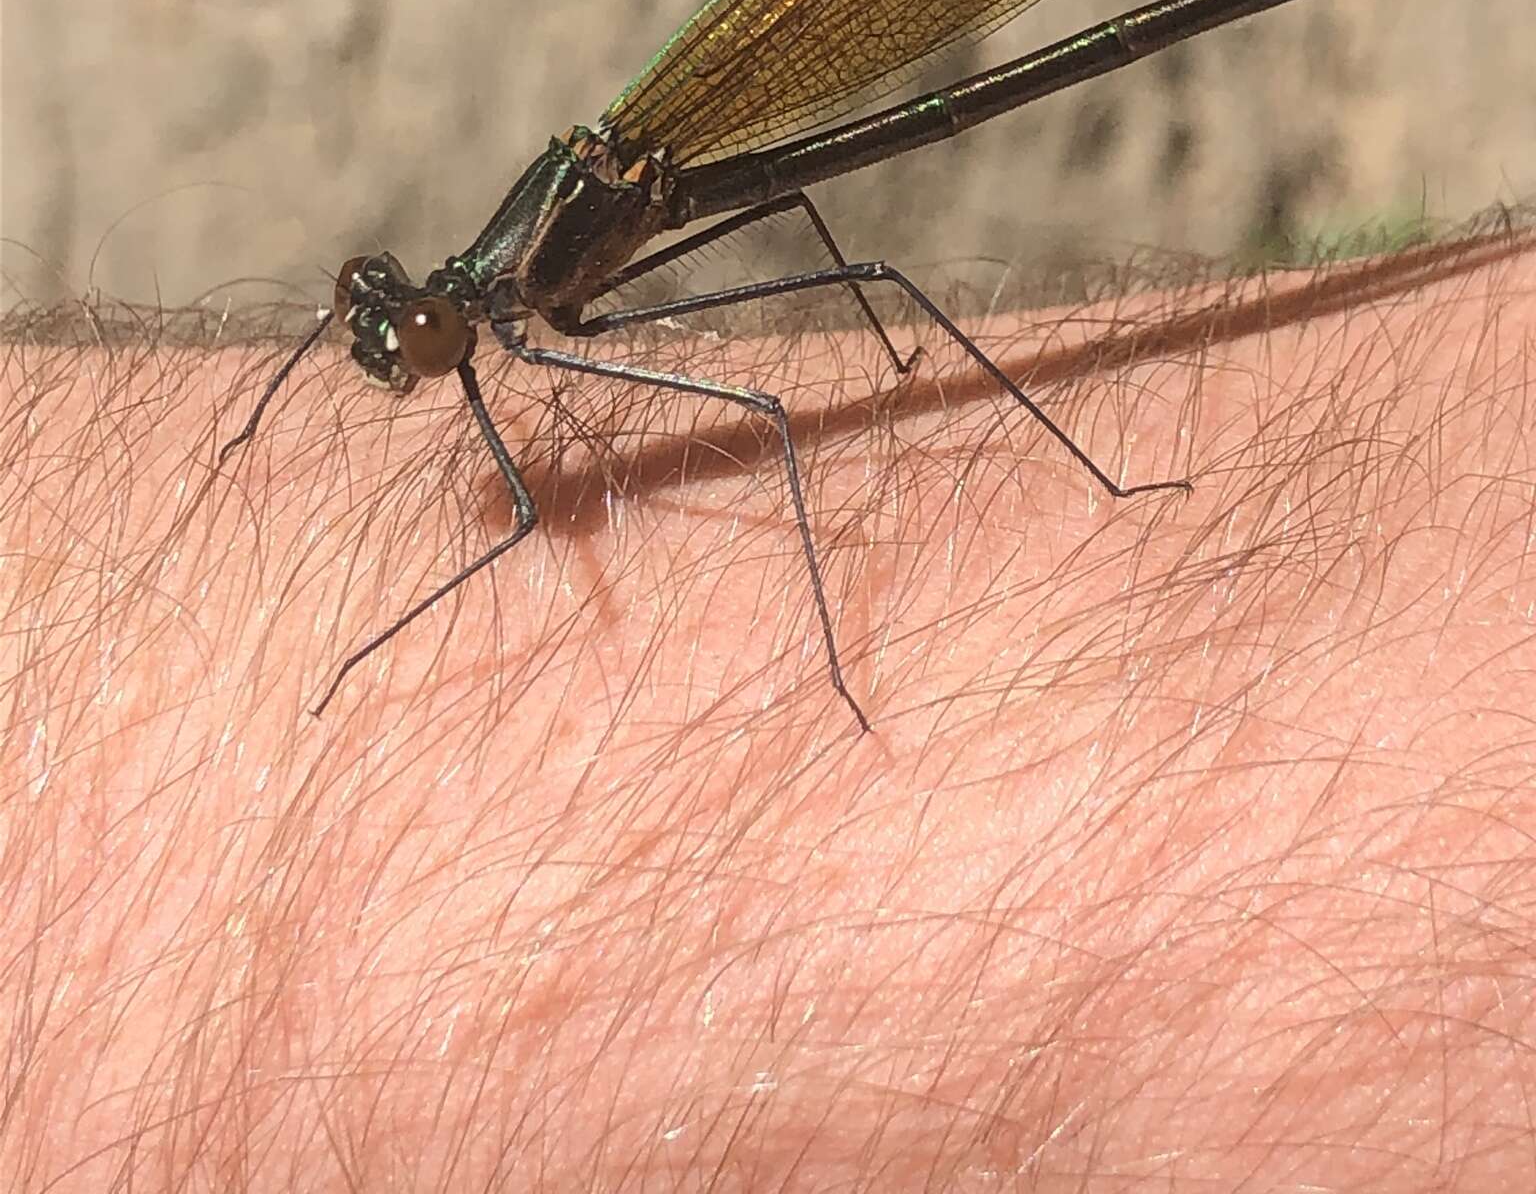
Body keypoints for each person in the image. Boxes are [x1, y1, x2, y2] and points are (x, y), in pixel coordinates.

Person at [7, 231, 1532, 1188]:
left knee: (816, 334)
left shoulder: (517, 309)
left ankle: (1064, 504)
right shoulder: (462, 309)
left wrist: (832, 676)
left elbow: (545, 519)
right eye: (390, 330)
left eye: (402, 338)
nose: (395, 350)